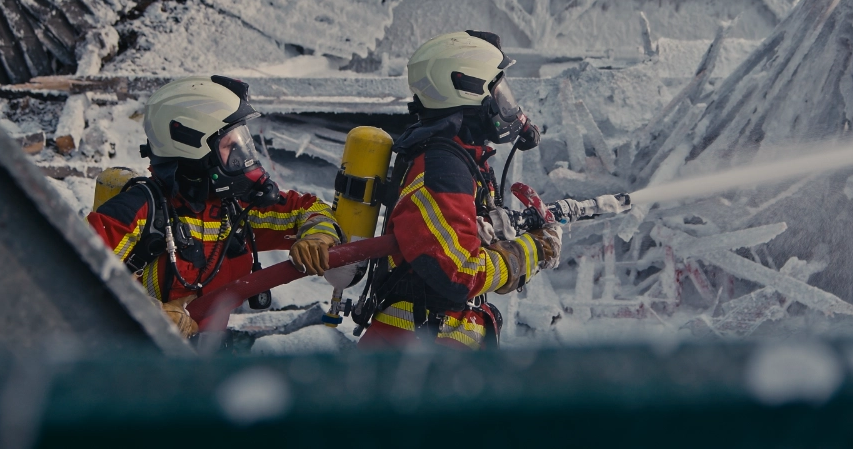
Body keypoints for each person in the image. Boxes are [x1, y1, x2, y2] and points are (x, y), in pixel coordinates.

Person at [88, 75, 341, 337]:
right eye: (230, 146)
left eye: (242, 143)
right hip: (136, 359)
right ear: (190, 145)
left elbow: (308, 209)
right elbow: (74, 277)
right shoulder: (137, 212)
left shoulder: (234, 208)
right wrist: (149, 311)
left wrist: (318, 235)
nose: (242, 156)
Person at [354, 30, 561, 350]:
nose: (508, 105)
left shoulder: (457, 162)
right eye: (499, 92)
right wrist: (532, 250)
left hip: (425, 356)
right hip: (417, 363)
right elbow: (460, 275)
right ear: (465, 88)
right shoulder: (443, 170)